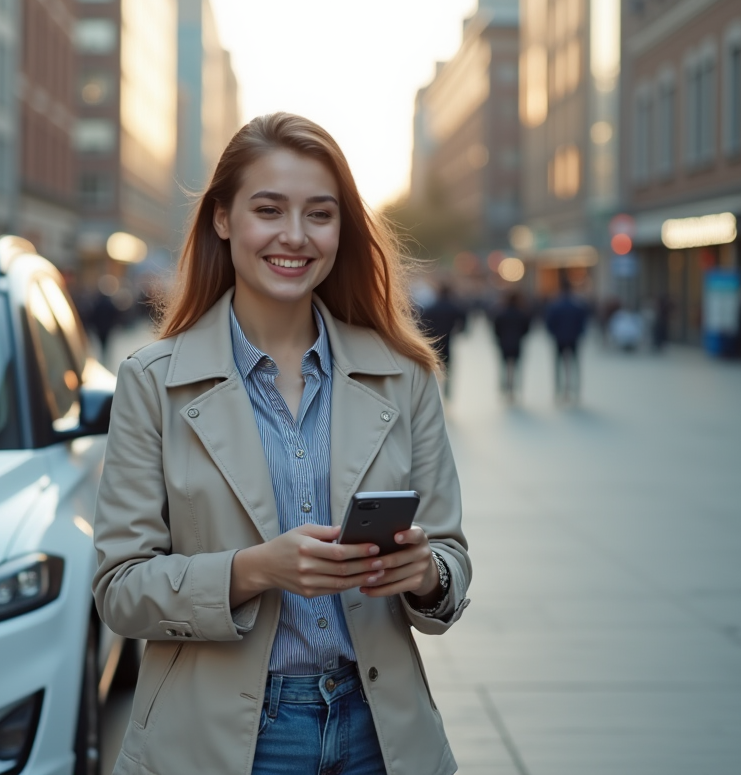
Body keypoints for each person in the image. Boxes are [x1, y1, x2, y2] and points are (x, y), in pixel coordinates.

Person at [92, 113, 470, 775]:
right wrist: (254, 570)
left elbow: (451, 559)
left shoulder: (404, 376)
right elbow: (120, 591)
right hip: (224, 738)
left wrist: (426, 574)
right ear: (223, 218)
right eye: (269, 210)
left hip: (379, 733)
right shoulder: (152, 383)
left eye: (319, 215)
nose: (294, 236)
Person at [419, 282, 467, 396]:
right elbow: (463, 317)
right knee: (448, 364)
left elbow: (423, 322)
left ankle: (435, 387)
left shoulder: (433, 307)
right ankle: (447, 389)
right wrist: (460, 329)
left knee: (434, 364)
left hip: (434, 340)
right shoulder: (453, 307)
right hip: (448, 338)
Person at [545, 282, 590, 402]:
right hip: (573, 338)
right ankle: (575, 390)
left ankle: (559, 390)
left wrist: (554, 334)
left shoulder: (555, 306)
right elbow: (583, 324)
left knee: (558, 365)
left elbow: (549, 323)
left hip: (559, 339)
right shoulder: (577, 305)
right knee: (575, 365)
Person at [491, 291, 530, 402]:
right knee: (516, 367)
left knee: (504, 367)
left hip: (504, 343)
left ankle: (505, 387)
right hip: (516, 343)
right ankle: (514, 388)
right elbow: (526, 329)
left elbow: (496, 329)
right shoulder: (522, 314)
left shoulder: (501, 314)